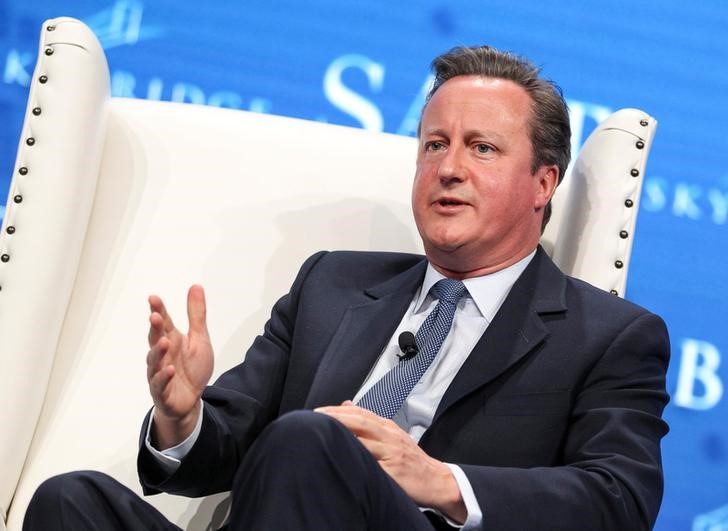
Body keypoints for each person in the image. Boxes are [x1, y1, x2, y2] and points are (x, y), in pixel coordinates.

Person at [23, 45, 670, 531]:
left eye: (482, 148)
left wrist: (439, 480)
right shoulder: (333, 283)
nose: (448, 167)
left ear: (543, 183)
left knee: (310, 438)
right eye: (435, 144)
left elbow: (619, 497)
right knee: (70, 501)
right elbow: (228, 451)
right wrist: (183, 415)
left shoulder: (608, 336)